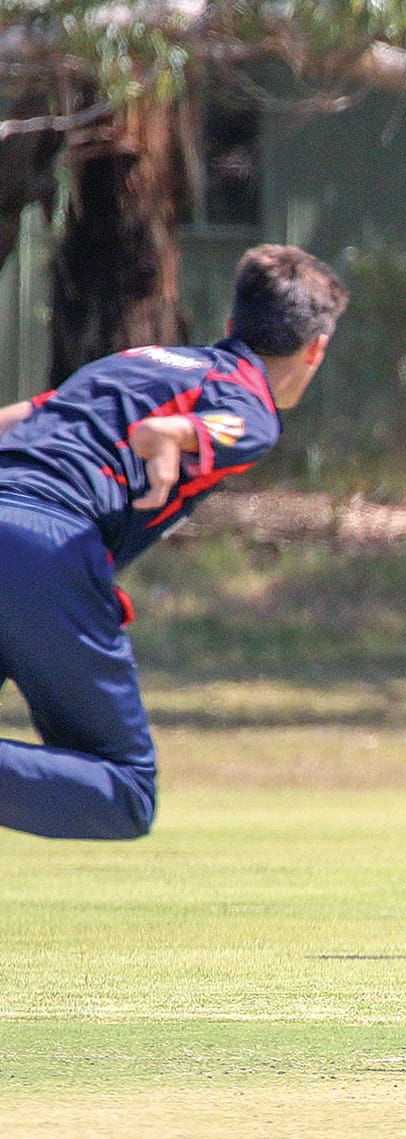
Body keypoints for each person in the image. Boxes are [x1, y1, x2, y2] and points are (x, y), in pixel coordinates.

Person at [0, 244, 347, 840]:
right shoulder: (251, 400)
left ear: (232, 325)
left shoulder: (133, 364)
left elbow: (27, 415)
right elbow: (228, 426)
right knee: (126, 790)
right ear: (314, 350)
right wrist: (173, 432)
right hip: (45, 542)